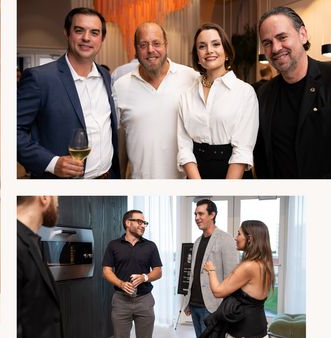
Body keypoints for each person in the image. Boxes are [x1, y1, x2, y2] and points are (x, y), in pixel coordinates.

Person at [255, 6, 331, 178]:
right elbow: (263, 158)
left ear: (303, 34)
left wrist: (319, 191)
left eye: (282, 37)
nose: (276, 48)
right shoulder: (264, 94)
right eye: (267, 43)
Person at [17, 7, 119, 179]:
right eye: (79, 31)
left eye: (94, 33)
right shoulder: (41, 79)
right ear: (67, 32)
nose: (86, 38)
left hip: (107, 178)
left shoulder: (106, 76)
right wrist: (52, 163)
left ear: (102, 39)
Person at [113, 22, 197, 179]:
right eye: (143, 45)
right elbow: (120, 145)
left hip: (184, 186)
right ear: (136, 49)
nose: (150, 50)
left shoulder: (191, 78)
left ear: (166, 45)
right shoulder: (120, 87)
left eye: (156, 43)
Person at [177, 23, 259, 179]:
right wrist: (198, 187)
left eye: (216, 44)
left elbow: (242, 150)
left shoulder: (245, 92)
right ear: (197, 57)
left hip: (233, 174)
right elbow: (184, 147)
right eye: (202, 46)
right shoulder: (186, 95)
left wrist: (225, 193)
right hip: (196, 174)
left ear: (226, 51)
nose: (209, 50)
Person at [201, 220, 274, 338]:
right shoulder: (265, 264)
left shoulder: (249, 266)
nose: (235, 238)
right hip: (259, 327)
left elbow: (218, 291)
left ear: (249, 238)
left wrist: (211, 270)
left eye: (239, 234)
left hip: (244, 331)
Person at [102, 210, 162, 338]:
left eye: (144, 222)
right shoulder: (113, 245)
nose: (143, 225)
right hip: (120, 301)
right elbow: (106, 271)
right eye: (139, 222)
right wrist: (121, 283)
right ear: (128, 223)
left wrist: (145, 277)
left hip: (144, 300)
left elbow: (158, 271)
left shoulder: (150, 246)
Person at [183, 199, 238, 338]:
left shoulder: (226, 239)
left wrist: (224, 309)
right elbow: (194, 274)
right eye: (195, 214)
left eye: (200, 214)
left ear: (212, 214)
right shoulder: (196, 242)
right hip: (194, 304)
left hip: (213, 306)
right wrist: (188, 302)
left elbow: (231, 277)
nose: (196, 218)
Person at [17, 196, 63, 338]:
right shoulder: (16, 244)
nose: (58, 204)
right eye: (57, 198)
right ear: (44, 197)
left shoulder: (30, 241)